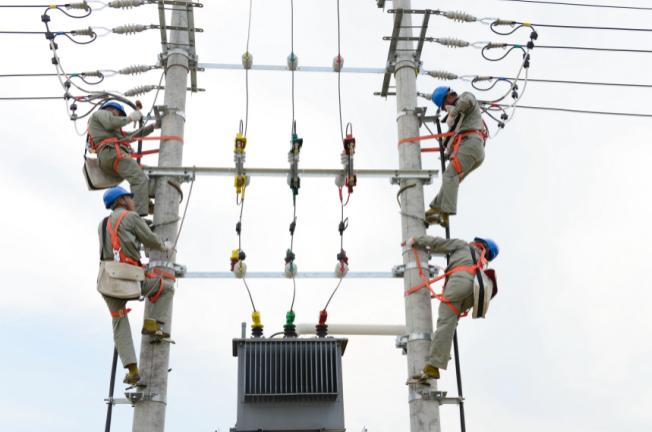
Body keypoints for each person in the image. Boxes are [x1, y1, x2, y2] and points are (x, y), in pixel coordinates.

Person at [97, 186, 175, 385]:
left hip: (107, 282)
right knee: (165, 287)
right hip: (128, 279)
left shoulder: (103, 223)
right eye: (130, 198)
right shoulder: (130, 217)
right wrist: (164, 245)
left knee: (119, 321)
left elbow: (119, 242)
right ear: (122, 200)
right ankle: (153, 324)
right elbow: (150, 239)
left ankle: (132, 370)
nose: (133, 201)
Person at [406, 235, 499, 381]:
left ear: (479, 243)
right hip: (474, 291)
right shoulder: (480, 262)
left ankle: (433, 365)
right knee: (449, 323)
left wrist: (416, 240)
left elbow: (438, 243)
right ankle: (442, 351)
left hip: (459, 284)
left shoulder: (462, 245)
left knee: (445, 322)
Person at [426, 87, 487, 227]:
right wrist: (447, 151)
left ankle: (445, 213)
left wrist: (453, 111)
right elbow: (452, 137)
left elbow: (468, 100)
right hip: (473, 149)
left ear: (449, 97)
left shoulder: (466, 97)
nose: (445, 110)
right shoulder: (460, 120)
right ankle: (435, 209)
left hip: (471, 144)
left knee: (449, 176)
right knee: (451, 180)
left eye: (444, 107)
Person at [87, 101, 153, 217]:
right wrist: (130, 118)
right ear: (113, 110)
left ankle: (149, 205)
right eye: (119, 115)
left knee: (145, 174)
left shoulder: (112, 132)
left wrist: (153, 127)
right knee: (138, 178)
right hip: (111, 153)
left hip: (111, 156)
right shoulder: (101, 114)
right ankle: (138, 216)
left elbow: (132, 136)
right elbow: (111, 122)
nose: (119, 118)